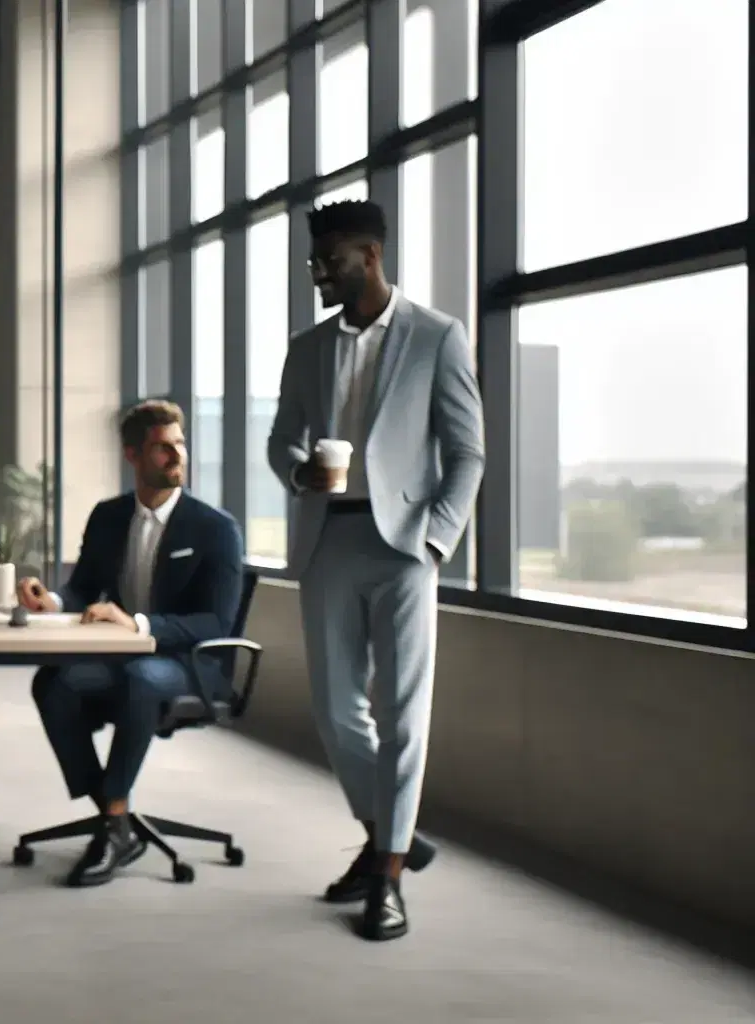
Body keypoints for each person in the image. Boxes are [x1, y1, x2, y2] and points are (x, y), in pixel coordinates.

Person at [266, 199, 484, 942]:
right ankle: (392, 832)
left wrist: (436, 540)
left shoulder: (436, 337)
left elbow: (467, 453)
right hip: (329, 540)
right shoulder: (307, 348)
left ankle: (386, 877)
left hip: (404, 547)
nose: (318, 275)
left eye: (328, 262)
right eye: (314, 263)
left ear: (369, 254)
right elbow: (279, 441)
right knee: (335, 711)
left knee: (404, 715)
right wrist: (299, 476)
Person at [15, 399, 245, 888]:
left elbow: (215, 621)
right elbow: (83, 590)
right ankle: (112, 815)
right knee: (52, 683)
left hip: (190, 662)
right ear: (133, 456)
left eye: (179, 444)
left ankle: (113, 820)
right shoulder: (108, 516)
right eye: (162, 448)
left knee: (142, 679)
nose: (176, 456)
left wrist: (138, 623)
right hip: (123, 657)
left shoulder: (215, 528)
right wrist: (52, 601)